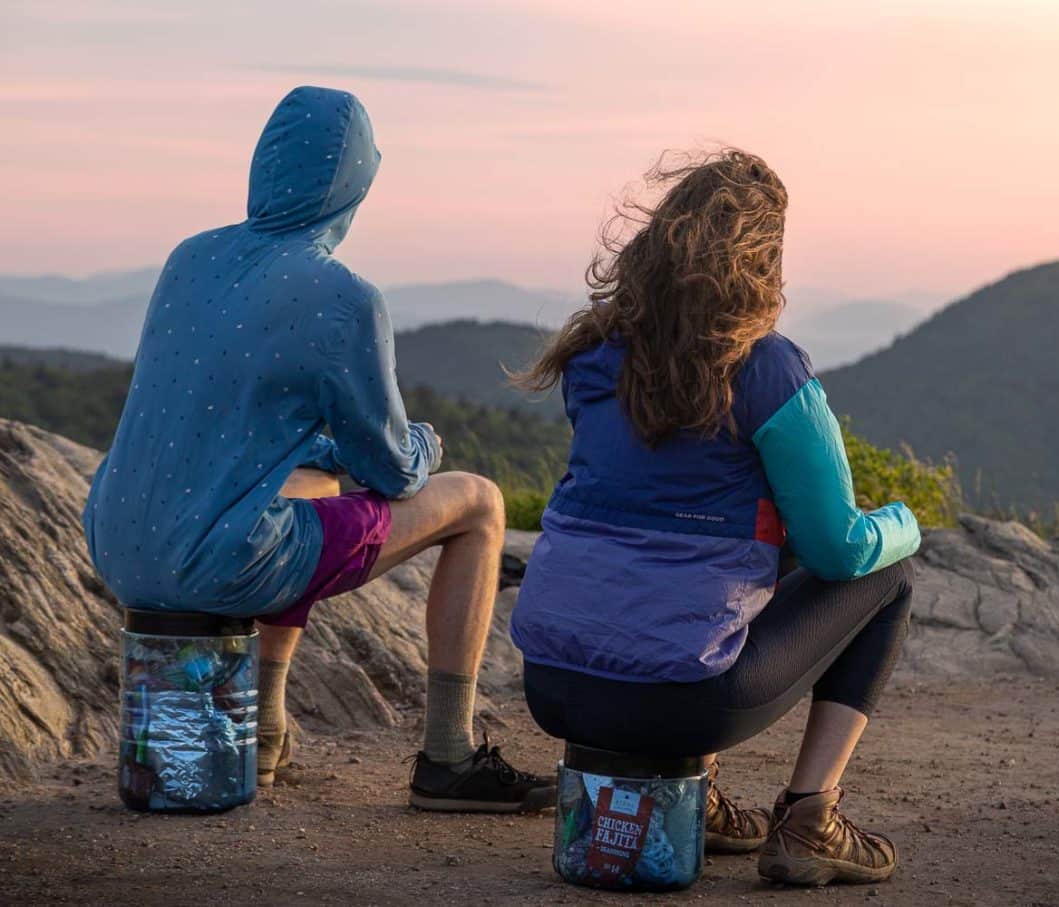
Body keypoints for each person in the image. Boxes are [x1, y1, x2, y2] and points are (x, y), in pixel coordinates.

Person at [83, 86, 554, 813]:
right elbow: (393, 466)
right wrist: (426, 442)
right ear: (355, 182)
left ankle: (263, 726)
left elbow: (238, 424)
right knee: (482, 505)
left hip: (116, 539)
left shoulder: (190, 259)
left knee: (304, 488)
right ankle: (449, 756)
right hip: (220, 560)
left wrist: (328, 455)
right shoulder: (344, 298)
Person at [510, 149, 920, 885]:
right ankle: (810, 819)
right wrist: (905, 523)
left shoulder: (593, 354)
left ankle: (703, 793)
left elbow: (645, 504)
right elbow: (838, 547)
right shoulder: (766, 369)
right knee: (887, 574)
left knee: (705, 560)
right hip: (681, 702)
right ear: (761, 259)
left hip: (555, 685)